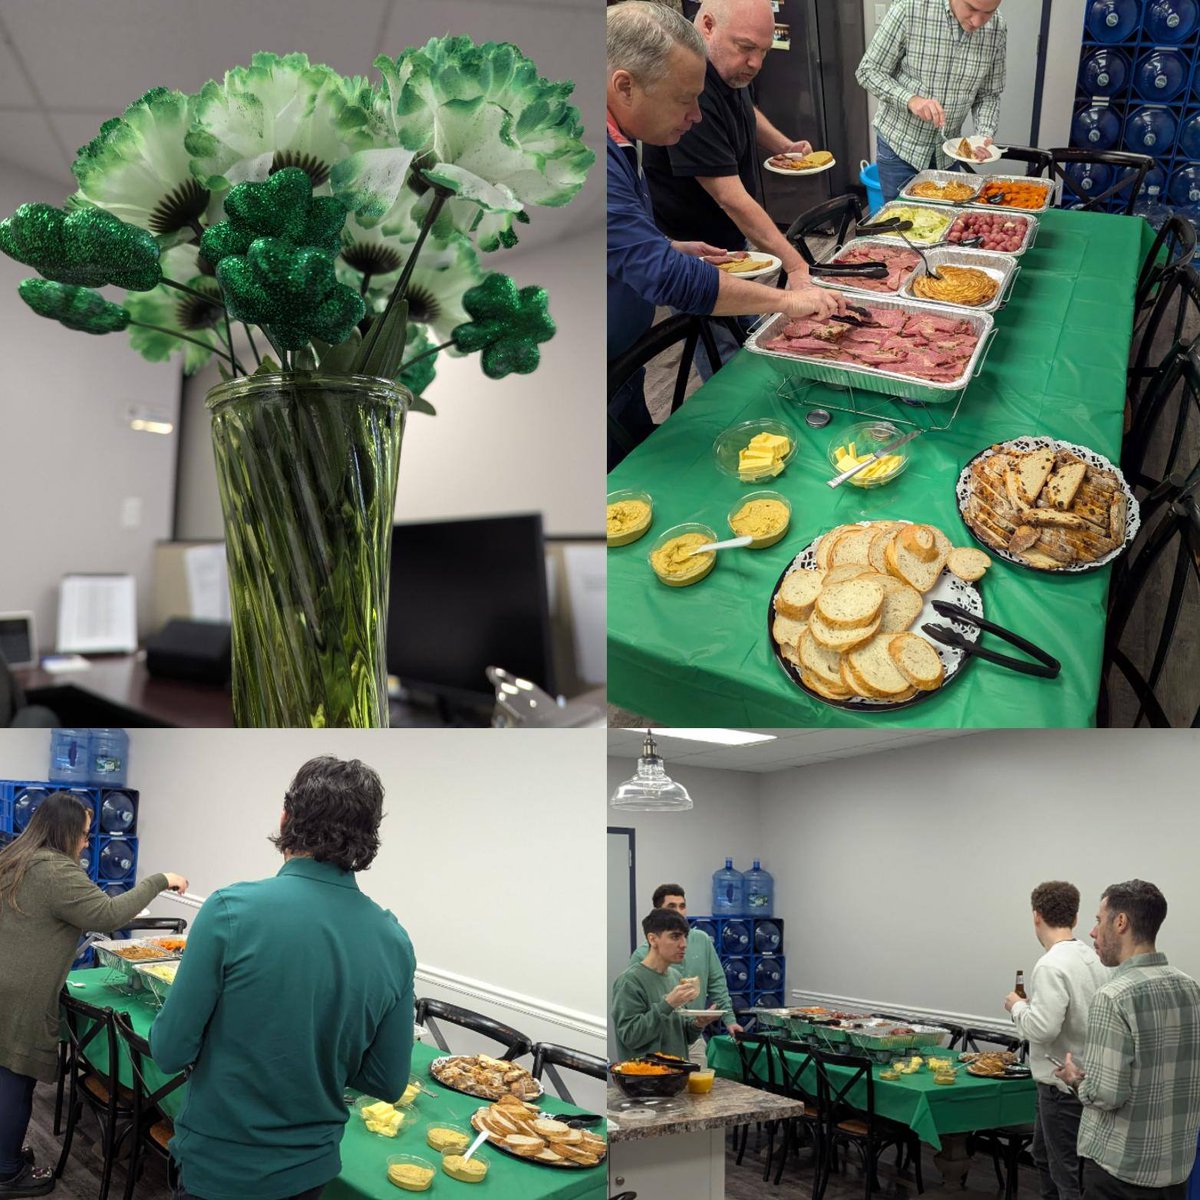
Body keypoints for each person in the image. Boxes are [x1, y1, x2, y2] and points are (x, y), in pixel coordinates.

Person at [150, 756, 416, 1200]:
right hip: (310, 1172)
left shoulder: (230, 911)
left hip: (222, 1168)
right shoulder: (394, 940)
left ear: (286, 819)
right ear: (369, 839)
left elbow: (169, 1050)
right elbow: (389, 1081)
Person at [607, 1, 844, 467]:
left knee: (637, 456)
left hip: (620, 357)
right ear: (624, 86)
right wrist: (786, 300)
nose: (695, 116)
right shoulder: (589, 154)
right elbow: (666, 280)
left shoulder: (623, 126)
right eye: (683, 100)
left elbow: (611, 241)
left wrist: (666, 246)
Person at [0, 792, 187, 1199]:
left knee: (4, 1076)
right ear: (66, 832)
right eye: (85, 835)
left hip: (4, 983)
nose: (87, 842)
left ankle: (4, 1156)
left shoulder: (16, 856)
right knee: (16, 1081)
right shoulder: (55, 870)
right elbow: (106, 915)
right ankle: (8, 1173)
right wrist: (160, 880)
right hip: (21, 993)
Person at [643, 0, 816, 310]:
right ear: (708, 26)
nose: (756, 63)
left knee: (743, 327)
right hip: (698, 252)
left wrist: (783, 146)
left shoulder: (726, 64)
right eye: (747, 48)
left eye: (764, 51)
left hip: (730, 237)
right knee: (725, 350)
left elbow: (743, 107)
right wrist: (795, 265)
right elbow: (730, 197)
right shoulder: (691, 86)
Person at [1055, 881, 1200, 1200]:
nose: (1092, 932)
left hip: (1121, 1171)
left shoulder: (1114, 997)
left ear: (1120, 922)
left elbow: (1107, 1095)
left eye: (1098, 920)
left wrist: (1076, 1081)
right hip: (1176, 1169)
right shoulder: (1192, 989)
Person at [1003, 881, 1108, 1200]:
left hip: (1060, 1087)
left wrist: (1017, 1006)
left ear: (1036, 916)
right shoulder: (1092, 958)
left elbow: (1042, 1030)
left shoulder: (1050, 964)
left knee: (1064, 1175)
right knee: (1048, 1159)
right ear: (1075, 919)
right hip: (1085, 1081)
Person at [856, 0, 1007, 202]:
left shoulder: (997, 28)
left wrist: (984, 135)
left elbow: (988, 93)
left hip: (947, 154)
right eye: (971, 8)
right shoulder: (910, 8)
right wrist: (911, 100)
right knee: (899, 226)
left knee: (946, 228)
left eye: (988, 12)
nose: (978, 21)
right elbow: (868, 71)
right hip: (900, 149)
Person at [627, 884, 743, 1049]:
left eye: (682, 906)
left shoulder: (702, 940)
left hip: (693, 1034)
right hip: (659, 1039)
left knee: (701, 1074)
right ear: (658, 912)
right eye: (672, 906)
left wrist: (729, 1021)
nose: (679, 911)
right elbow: (633, 1026)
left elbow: (717, 982)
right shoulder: (640, 959)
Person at [611, 907, 724, 1061]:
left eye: (685, 937)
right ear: (652, 939)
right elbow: (631, 1037)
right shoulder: (629, 982)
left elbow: (683, 1037)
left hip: (676, 1077)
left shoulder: (675, 977)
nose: (684, 944)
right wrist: (668, 1003)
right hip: (645, 1079)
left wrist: (698, 1024)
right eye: (675, 937)